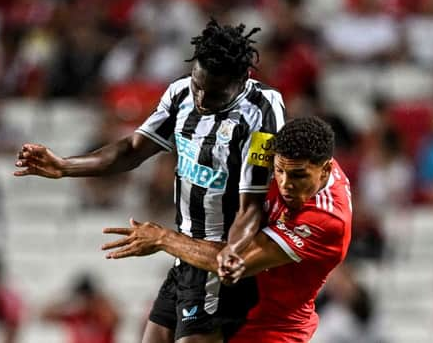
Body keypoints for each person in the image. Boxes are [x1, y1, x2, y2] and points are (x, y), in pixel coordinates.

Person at [14, 18, 286, 342]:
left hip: (218, 256)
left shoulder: (262, 110)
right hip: (184, 254)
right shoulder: (181, 93)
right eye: (197, 85)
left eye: (212, 93)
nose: (200, 99)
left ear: (242, 79)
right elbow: (132, 149)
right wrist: (65, 166)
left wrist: (232, 252)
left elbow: (251, 205)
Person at [102, 117, 352, 343]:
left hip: (272, 327)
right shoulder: (280, 147)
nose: (286, 184)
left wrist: (162, 238)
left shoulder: (327, 218)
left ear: (326, 170)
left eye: (298, 176)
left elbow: (234, 261)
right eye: (279, 171)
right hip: (230, 300)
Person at [41, 273, 119, 343]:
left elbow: (113, 319)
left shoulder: (102, 316)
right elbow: (45, 315)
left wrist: (97, 300)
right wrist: (66, 297)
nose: (85, 300)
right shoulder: (76, 316)